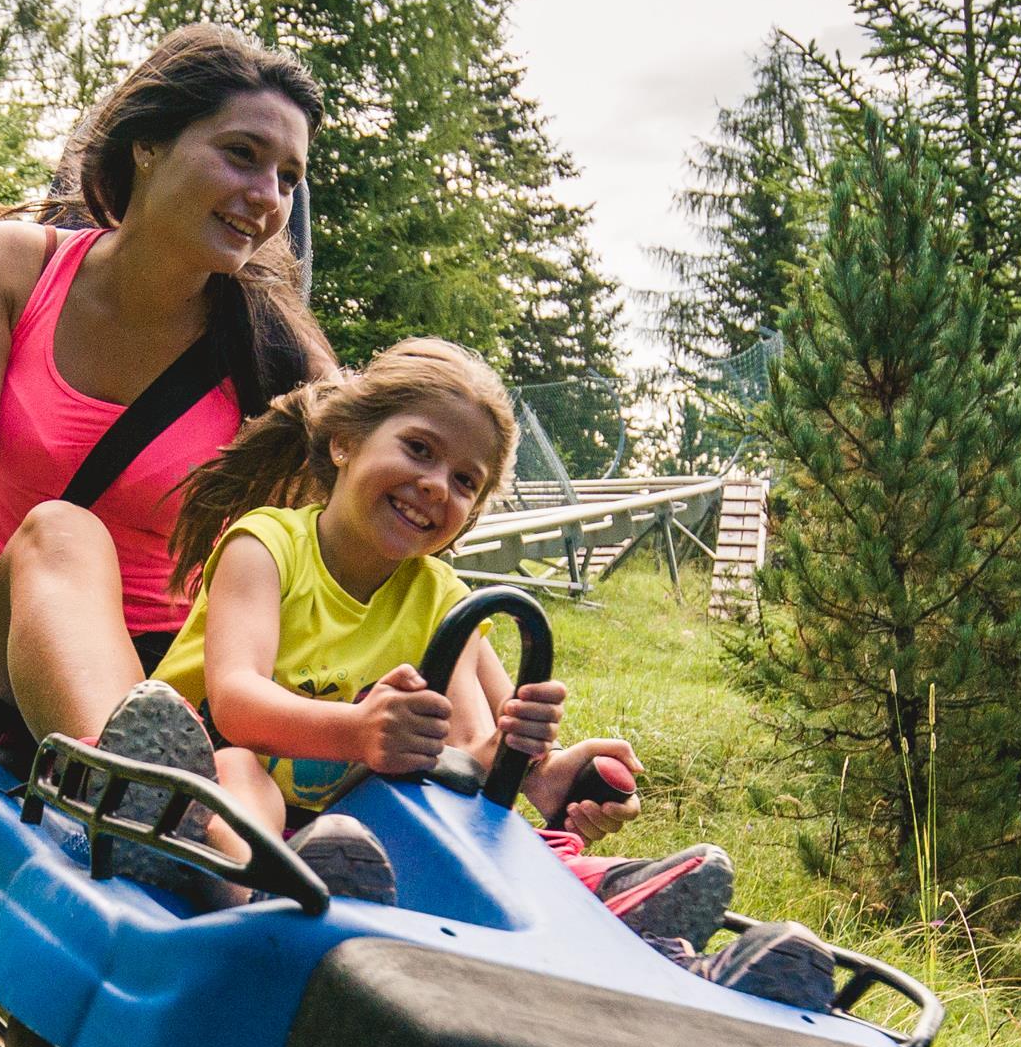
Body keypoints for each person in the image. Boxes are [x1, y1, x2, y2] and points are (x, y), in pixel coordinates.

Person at [147, 339, 841, 1008]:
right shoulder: (267, 545)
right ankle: (263, 896)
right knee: (241, 770)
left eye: (464, 481)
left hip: (354, 842)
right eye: (419, 448)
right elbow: (235, 703)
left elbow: (479, 763)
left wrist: (546, 770)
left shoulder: (443, 598)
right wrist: (360, 731)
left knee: (464, 818)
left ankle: (658, 948)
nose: (434, 486)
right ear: (344, 441)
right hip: (219, 787)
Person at [0, 26, 335, 847]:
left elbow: (371, 535)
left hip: (190, 685)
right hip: (15, 650)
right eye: (242, 154)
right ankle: (163, 817)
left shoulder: (278, 356)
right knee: (60, 532)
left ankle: (214, 846)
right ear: (147, 145)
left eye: (288, 177)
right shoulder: (12, 267)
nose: (268, 195)